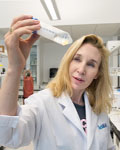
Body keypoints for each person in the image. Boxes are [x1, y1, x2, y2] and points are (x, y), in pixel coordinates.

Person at [0, 15, 115, 150]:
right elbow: (7, 136)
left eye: (91, 64)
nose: (81, 69)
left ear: (97, 74)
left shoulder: (98, 107)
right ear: (67, 62)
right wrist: (15, 68)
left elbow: (108, 147)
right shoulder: (42, 102)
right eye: (77, 59)